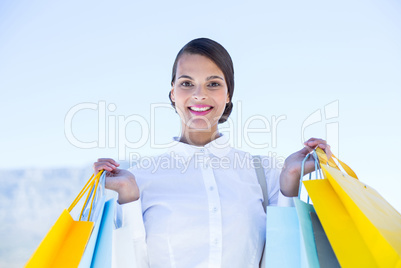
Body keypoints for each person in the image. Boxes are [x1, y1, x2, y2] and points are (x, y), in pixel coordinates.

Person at [94, 38, 331, 268]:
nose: (199, 94)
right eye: (187, 83)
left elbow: (285, 254)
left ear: (228, 95)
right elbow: (129, 260)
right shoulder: (140, 179)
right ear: (172, 94)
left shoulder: (264, 173)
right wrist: (128, 197)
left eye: (213, 84)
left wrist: (291, 179)